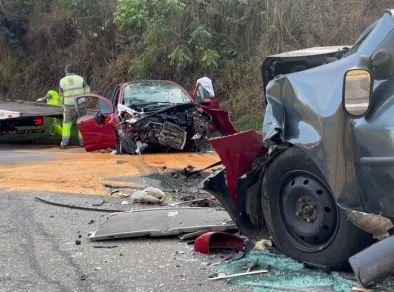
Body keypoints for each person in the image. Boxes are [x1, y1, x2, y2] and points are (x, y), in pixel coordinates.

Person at [59, 64, 90, 149]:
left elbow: (61, 95)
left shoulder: (62, 81)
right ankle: (83, 143)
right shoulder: (80, 79)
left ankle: (64, 144)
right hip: (81, 106)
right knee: (82, 123)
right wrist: (83, 98)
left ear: (66, 71)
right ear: (74, 71)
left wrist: (63, 104)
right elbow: (87, 90)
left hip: (69, 107)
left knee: (66, 124)